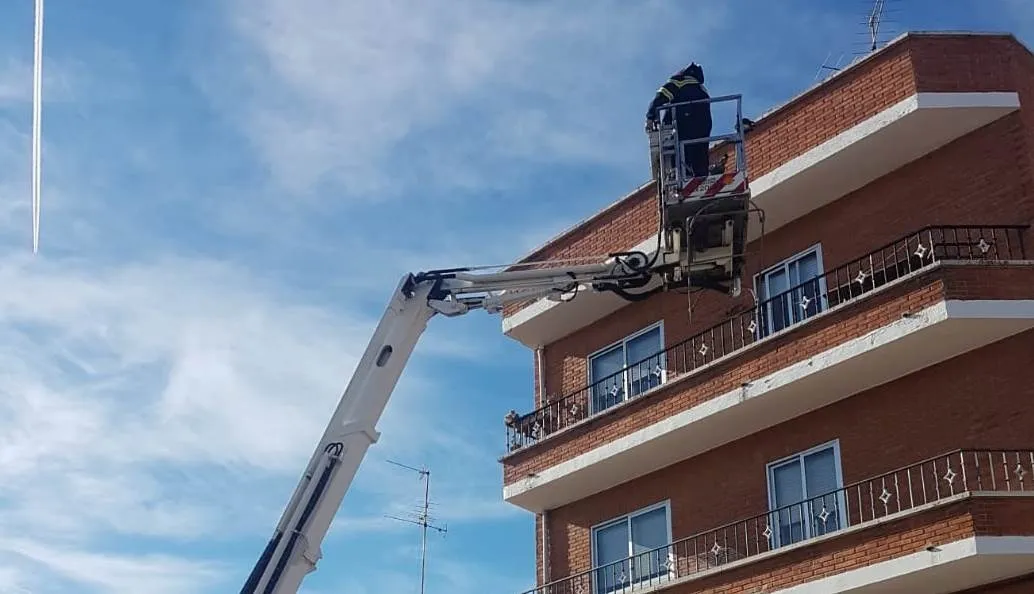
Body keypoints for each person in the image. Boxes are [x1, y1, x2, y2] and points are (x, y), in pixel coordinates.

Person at [645, 62, 713, 179]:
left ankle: (679, 175)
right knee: (700, 156)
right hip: (703, 128)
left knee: (678, 152)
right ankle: (701, 178)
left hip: (684, 123)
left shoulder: (679, 81)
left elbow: (660, 97)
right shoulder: (703, 90)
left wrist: (650, 116)